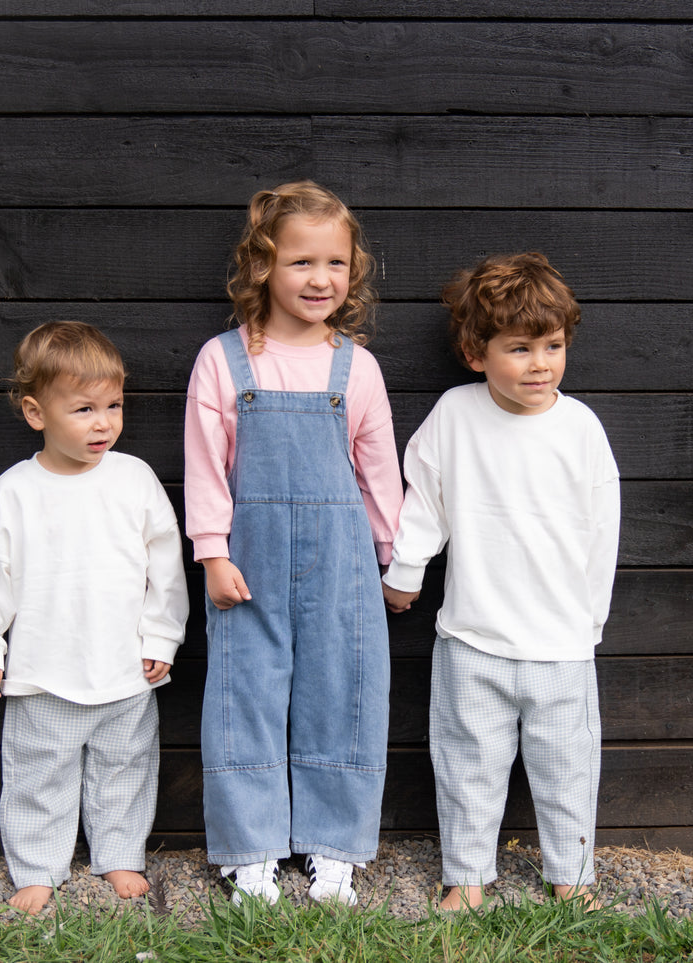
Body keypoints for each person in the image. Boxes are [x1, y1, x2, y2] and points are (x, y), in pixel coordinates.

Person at [381, 252, 620, 911]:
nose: (540, 363)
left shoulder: (579, 430)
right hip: (472, 638)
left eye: (553, 345)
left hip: (560, 645)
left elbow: (602, 532)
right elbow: (424, 500)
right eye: (519, 348)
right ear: (475, 351)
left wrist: (588, 621)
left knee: (568, 769)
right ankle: (466, 875)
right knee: (466, 765)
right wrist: (404, 572)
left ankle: (571, 875)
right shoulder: (455, 416)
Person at [184, 181, 401, 906]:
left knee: (341, 691)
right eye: (301, 262)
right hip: (248, 560)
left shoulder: (356, 367)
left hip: (341, 564)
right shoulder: (224, 360)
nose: (320, 279)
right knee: (244, 694)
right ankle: (251, 849)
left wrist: (390, 559)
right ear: (262, 269)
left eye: (335, 263)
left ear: (352, 273)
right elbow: (205, 464)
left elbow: (378, 472)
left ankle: (332, 845)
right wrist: (212, 551)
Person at [0, 321, 188, 915]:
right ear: (36, 412)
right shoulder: (14, 492)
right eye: (83, 408)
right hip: (43, 670)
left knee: (126, 768)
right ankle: (38, 868)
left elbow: (165, 566)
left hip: (123, 667)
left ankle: (119, 853)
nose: (103, 422)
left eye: (113, 405)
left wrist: (163, 633)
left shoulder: (134, 480)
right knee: (40, 775)